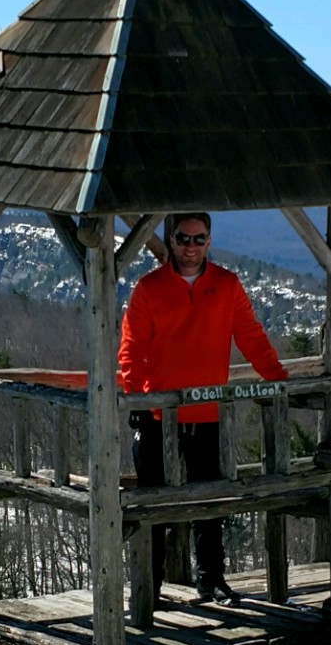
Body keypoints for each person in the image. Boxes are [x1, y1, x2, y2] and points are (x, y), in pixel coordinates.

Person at [117, 211, 288, 604]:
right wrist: (138, 399)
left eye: (198, 239)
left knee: (210, 502)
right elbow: (132, 350)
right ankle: (149, 588)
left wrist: (279, 381)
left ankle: (211, 579)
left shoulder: (227, 285)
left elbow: (250, 337)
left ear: (209, 240)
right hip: (159, 415)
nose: (190, 247)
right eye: (183, 238)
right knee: (153, 503)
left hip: (210, 415)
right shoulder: (149, 288)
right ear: (171, 240)